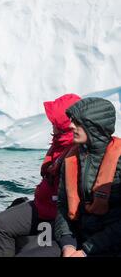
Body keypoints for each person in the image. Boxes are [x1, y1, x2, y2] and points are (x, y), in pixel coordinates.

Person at [0, 93, 81, 257]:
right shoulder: (60, 143)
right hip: (42, 205)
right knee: (0, 223)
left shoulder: (74, 153)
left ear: (63, 125)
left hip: (55, 216)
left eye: (54, 121)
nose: (51, 124)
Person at [55, 97, 121, 257]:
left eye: (77, 122)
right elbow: (63, 205)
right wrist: (67, 245)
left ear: (95, 127)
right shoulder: (71, 158)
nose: (71, 126)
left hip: (111, 244)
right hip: (76, 238)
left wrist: (86, 251)